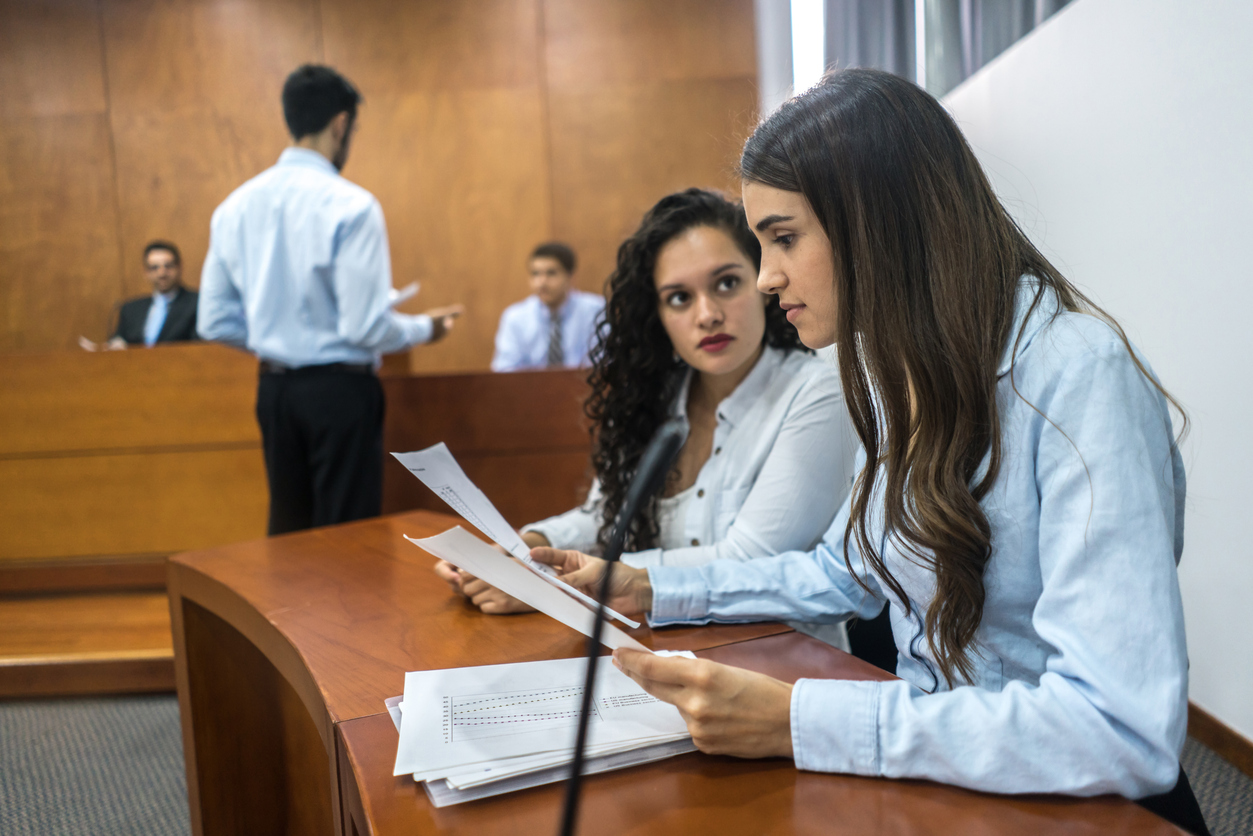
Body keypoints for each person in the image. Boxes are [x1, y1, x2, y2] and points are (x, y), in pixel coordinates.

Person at [530, 71, 1206, 834]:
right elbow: (844, 570)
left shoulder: (1076, 373)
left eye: (782, 238)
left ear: (881, 222)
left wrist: (802, 721)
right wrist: (650, 591)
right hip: (945, 782)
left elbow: (1119, 730)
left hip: (1081, 804)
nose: (767, 276)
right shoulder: (893, 372)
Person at [438, 188, 860, 648]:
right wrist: (525, 549)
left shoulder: (820, 386)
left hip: (783, 668)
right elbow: (603, 517)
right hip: (664, 652)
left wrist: (560, 583)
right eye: (679, 298)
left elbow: (750, 558)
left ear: (760, 282)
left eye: (726, 283)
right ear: (657, 314)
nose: (708, 315)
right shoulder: (658, 394)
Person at [198, 64, 463, 536]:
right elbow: (364, 328)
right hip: (340, 393)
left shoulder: (233, 206)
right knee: (347, 540)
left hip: (274, 391)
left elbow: (214, 320)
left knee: (290, 535)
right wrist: (427, 328)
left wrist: (275, 338)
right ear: (341, 124)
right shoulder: (352, 205)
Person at [491, 242, 605, 371]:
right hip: (531, 390)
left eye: (551, 273)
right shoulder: (515, 317)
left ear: (571, 277)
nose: (542, 282)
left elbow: (603, 363)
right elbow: (505, 369)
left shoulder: (595, 310)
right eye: (535, 274)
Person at [84, 241, 199, 349]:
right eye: (154, 267)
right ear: (146, 272)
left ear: (179, 267)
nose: (162, 273)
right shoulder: (131, 309)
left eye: (168, 266)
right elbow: (120, 341)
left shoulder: (197, 303)